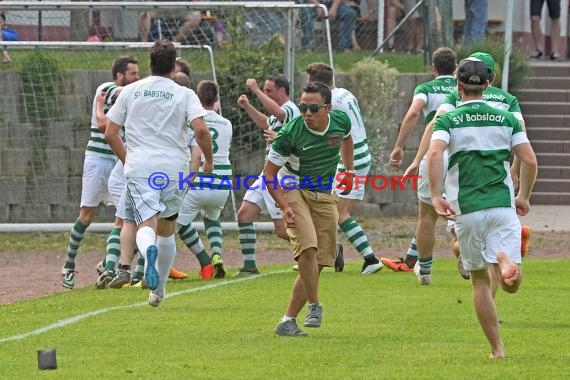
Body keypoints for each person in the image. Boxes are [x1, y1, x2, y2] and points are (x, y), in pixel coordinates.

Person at [427, 57, 537, 358]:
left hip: (468, 209)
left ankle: (497, 349)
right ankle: (503, 259)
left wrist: (436, 196)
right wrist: (524, 196)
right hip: (503, 206)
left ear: (457, 85)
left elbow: (434, 154)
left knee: (478, 281)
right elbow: (529, 160)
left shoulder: (448, 118)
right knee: (511, 286)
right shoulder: (507, 118)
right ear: (488, 85)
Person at [402, 51, 532, 284]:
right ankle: (499, 257)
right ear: (490, 78)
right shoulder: (507, 100)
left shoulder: (455, 98)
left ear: (460, 81)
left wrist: (416, 159)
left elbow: (433, 128)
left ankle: (429, 269)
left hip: (460, 175)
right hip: (496, 177)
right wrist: (515, 172)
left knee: (433, 218)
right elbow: (524, 141)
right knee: (492, 244)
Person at [105, 40, 213, 307]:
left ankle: (146, 252)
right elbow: (200, 130)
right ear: (173, 64)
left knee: (145, 225)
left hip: (141, 167)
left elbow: (110, 132)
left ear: (150, 63)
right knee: (167, 231)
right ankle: (158, 292)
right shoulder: (185, 93)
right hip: (173, 168)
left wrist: (128, 159)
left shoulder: (130, 91)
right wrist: (208, 160)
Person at [266, 81, 354, 337]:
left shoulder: (340, 121)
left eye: (313, 108)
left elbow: (347, 139)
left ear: (327, 108)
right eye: (303, 107)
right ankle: (315, 305)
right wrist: (283, 206)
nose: (306, 113)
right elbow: (269, 175)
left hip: (323, 193)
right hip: (293, 188)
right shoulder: (290, 133)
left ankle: (287, 321)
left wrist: (348, 170)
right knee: (308, 247)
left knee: (321, 259)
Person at [60, 56, 140, 289]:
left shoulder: (128, 101)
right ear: (119, 76)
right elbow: (105, 125)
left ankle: (108, 265)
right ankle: (68, 265)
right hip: (97, 161)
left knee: (126, 218)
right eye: (133, 73)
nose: (137, 77)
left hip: (117, 164)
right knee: (87, 215)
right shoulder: (107, 89)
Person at [381, 47, 457, 274]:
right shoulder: (464, 87)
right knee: (461, 205)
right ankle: (410, 261)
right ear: (455, 68)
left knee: (427, 214)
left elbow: (414, 113)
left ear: (434, 68)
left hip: (435, 151)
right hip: (462, 153)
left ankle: (424, 270)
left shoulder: (426, 88)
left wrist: (398, 147)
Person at [306, 62, 381, 275]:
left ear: (316, 83)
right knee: (328, 208)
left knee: (339, 213)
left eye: (309, 83)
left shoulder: (331, 105)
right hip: (359, 155)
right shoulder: (345, 94)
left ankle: (370, 258)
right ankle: (332, 252)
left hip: (351, 159)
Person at [235, 74, 300, 275]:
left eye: (269, 90)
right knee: (244, 214)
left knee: (282, 230)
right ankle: (249, 266)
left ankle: (323, 247)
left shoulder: (290, 108)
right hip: (266, 176)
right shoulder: (279, 114)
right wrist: (248, 107)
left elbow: (279, 114)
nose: (265, 93)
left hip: (279, 178)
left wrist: (255, 90)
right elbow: (267, 123)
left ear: (282, 91)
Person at [177, 79, 233, 279]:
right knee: (212, 217)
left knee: (174, 223)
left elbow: (194, 152)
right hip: (222, 182)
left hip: (199, 179)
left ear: (197, 98)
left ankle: (203, 259)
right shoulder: (227, 123)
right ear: (216, 99)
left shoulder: (194, 122)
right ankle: (216, 253)